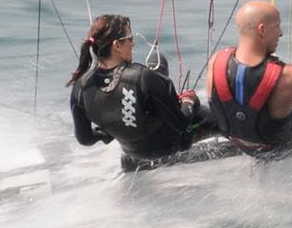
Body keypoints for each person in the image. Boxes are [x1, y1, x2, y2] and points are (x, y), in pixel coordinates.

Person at [68, 14, 218, 170]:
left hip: (132, 151)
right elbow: (181, 123)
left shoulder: (80, 87)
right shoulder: (142, 77)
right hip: (171, 144)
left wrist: (110, 131)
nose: (133, 45)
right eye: (130, 39)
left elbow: (85, 139)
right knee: (222, 118)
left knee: (156, 73)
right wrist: (189, 101)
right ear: (117, 45)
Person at [206, 0, 292, 158]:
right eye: (277, 27)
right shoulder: (288, 76)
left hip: (241, 143)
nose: (280, 33)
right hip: (283, 149)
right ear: (262, 30)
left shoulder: (216, 62)